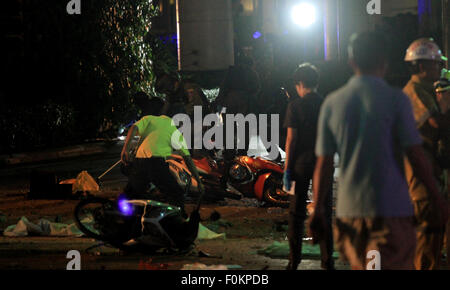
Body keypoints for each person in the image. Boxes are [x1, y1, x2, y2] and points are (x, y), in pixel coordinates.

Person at [310, 31, 448, 270]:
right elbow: (416, 156)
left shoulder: (333, 103)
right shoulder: (398, 101)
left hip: (350, 210)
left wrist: (317, 210)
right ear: (385, 61)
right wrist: (437, 198)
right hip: (391, 209)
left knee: (363, 266)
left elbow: (323, 164)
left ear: (351, 61)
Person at [402, 38, 450, 270]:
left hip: (431, 177)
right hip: (421, 183)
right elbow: (435, 124)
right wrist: (446, 105)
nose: (440, 68)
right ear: (421, 66)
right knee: (426, 248)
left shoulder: (425, 90)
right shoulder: (414, 93)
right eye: (435, 64)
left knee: (432, 245)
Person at [282, 63, 334, 270]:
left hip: (299, 165)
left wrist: (287, 168)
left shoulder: (295, 106)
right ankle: (327, 260)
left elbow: (291, 139)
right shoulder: (327, 104)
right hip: (324, 163)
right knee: (325, 211)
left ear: (300, 84)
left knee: (296, 214)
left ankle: (294, 261)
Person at [120, 97, 205, 213]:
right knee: (176, 194)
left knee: (131, 194)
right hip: (156, 163)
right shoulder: (174, 130)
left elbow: (134, 128)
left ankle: (117, 217)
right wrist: (199, 182)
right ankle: (178, 221)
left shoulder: (150, 119)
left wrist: (125, 149)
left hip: (139, 162)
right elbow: (187, 159)